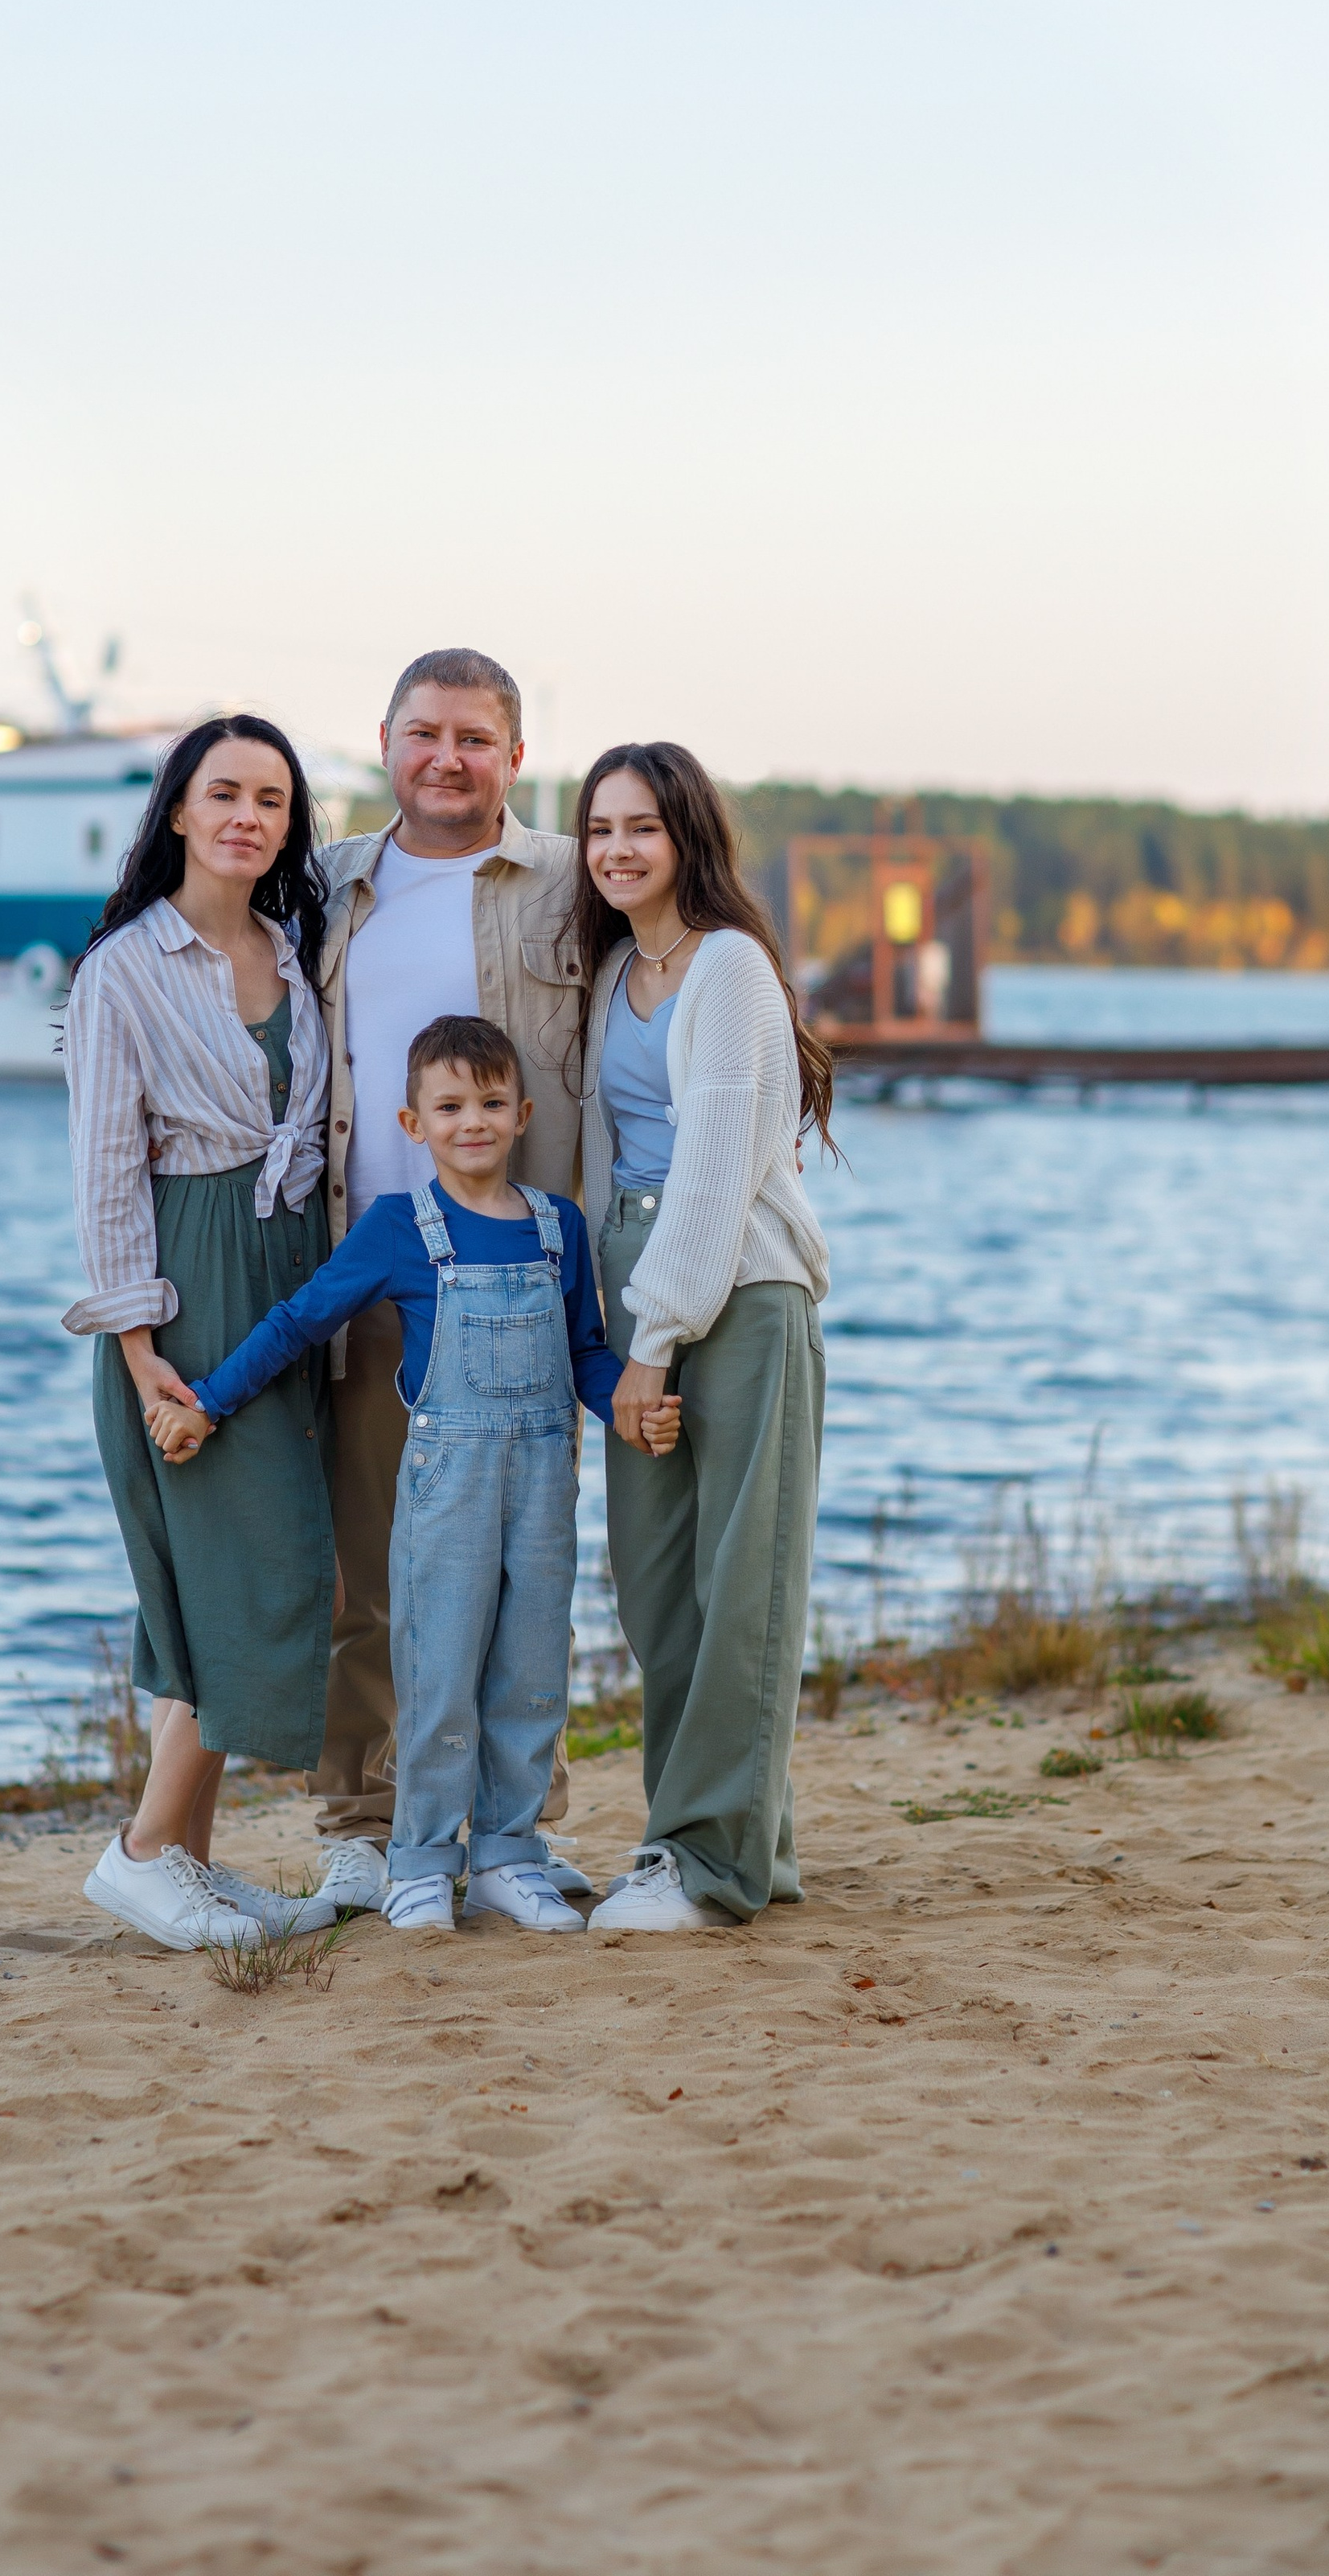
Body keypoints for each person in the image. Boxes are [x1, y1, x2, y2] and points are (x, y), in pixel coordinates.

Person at [150, 1014, 677, 1930]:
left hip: (547, 1484)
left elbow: (588, 1352)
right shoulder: (399, 1228)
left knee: (531, 1671)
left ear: (521, 1114)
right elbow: (297, 1321)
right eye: (448, 1106)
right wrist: (208, 1401)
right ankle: (420, 1859)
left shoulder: (559, 1227)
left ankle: (510, 1852)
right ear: (411, 1124)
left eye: (488, 1103)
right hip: (447, 1489)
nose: (470, 1121)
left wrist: (628, 1410)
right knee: (436, 1670)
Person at [308, 649, 589, 1915]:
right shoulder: (330, 886)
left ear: (514, 756)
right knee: (368, 1565)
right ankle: (366, 1824)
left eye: (475, 737)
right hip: (369, 1259)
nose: (448, 757)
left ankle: (512, 1829)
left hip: (520, 1270)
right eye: (425, 733)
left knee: (524, 1566)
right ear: (385, 742)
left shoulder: (569, 884)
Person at [59, 714, 340, 1956]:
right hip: (190, 1277)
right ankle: (139, 1856)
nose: (247, 817)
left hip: (289, 1268)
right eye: (223, 792)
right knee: (260, 1574)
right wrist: (136, 1344)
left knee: (222, 1580)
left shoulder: (294, 948)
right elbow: (107, 1170)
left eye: (272, 800)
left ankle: (188, 1859)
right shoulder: (125, 967)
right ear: (176, 809)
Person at [567, 742, 836, 1933]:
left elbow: (719, 1165)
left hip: (733, 1288)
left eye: (642, 827)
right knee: (658, 1589)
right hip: (641, 1284)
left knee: (743, 1582)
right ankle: (722, 1842)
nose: (617, 849)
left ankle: (707, 1864)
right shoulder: (618, 967)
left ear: (688, 838)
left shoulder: (728, 968)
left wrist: (655, 1341)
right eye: (598, 829)